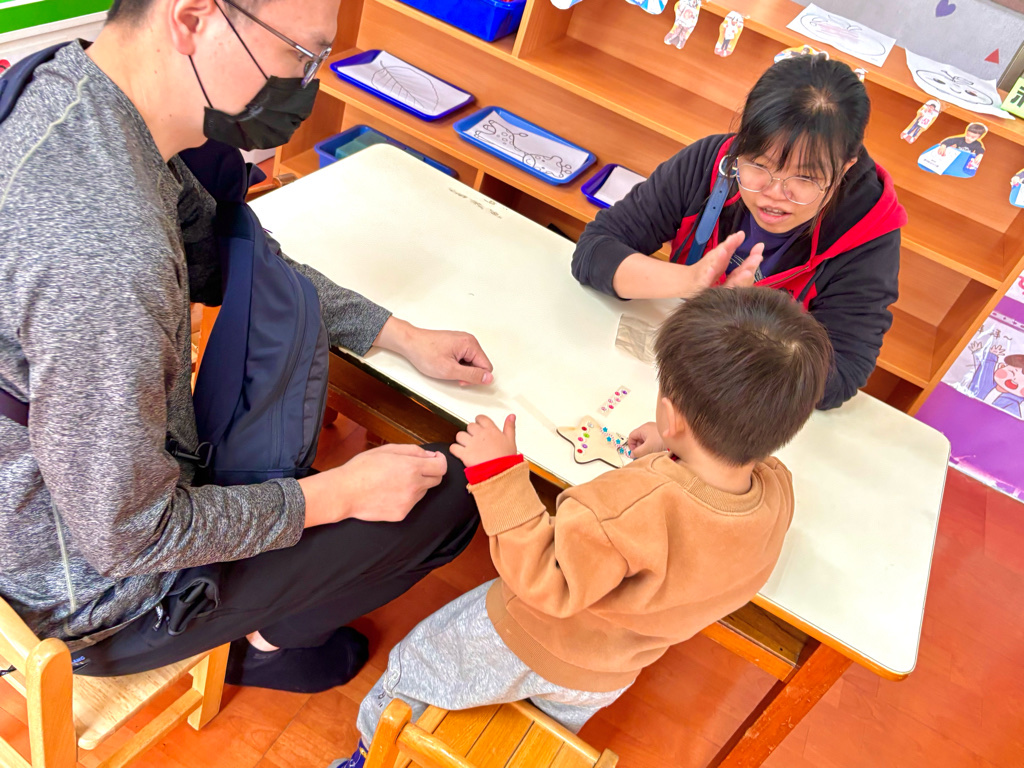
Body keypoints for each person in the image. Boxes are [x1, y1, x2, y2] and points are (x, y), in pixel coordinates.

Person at [0, 0, 496, 693]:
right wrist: (335, 494)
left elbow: (232, 257)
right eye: (303, 55)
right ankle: (264, 647)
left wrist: (394, 332)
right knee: (452, 497)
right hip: (82, 594)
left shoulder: (66, 90)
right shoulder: (108, 252)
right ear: (192, 19)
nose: (305, 86)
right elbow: (131, 537)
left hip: (56, 497)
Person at [339, 286, 833, 766]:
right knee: (535, 725)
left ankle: (370, 753)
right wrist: (676, 442)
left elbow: (542, 579)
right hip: (607, 674)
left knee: (420, 666)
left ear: (670, 413)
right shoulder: (777, 494)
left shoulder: (630, 506)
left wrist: (497, 474)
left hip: (529, 635)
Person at [571, 54, 907, 410]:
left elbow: (838, 377)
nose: (774, 193)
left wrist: (740, 324)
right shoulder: (710, 163)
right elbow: (594, 252)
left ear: (845, 168)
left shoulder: (868, 233)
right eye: (759, 165)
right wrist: (690, 281)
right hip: (665, 374)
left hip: (743, 405)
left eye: (805, 177)